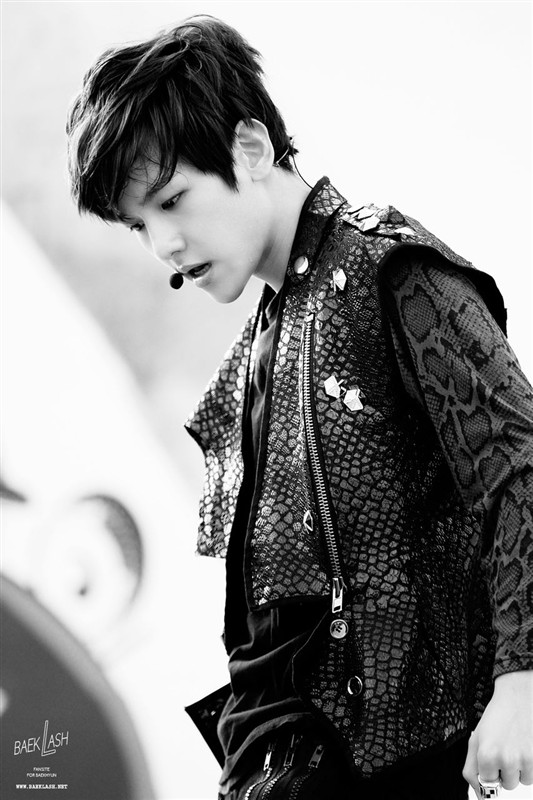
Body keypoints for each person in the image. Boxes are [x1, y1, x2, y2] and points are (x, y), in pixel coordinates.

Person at [66, 15, 533, 800]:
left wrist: (522, 678)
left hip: (384, 756)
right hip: (280, 763)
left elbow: (518, 467)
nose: (163, 245)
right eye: (141, 224)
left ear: (250, 149)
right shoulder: (260, 342)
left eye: (173, 200)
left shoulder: (390, 273)